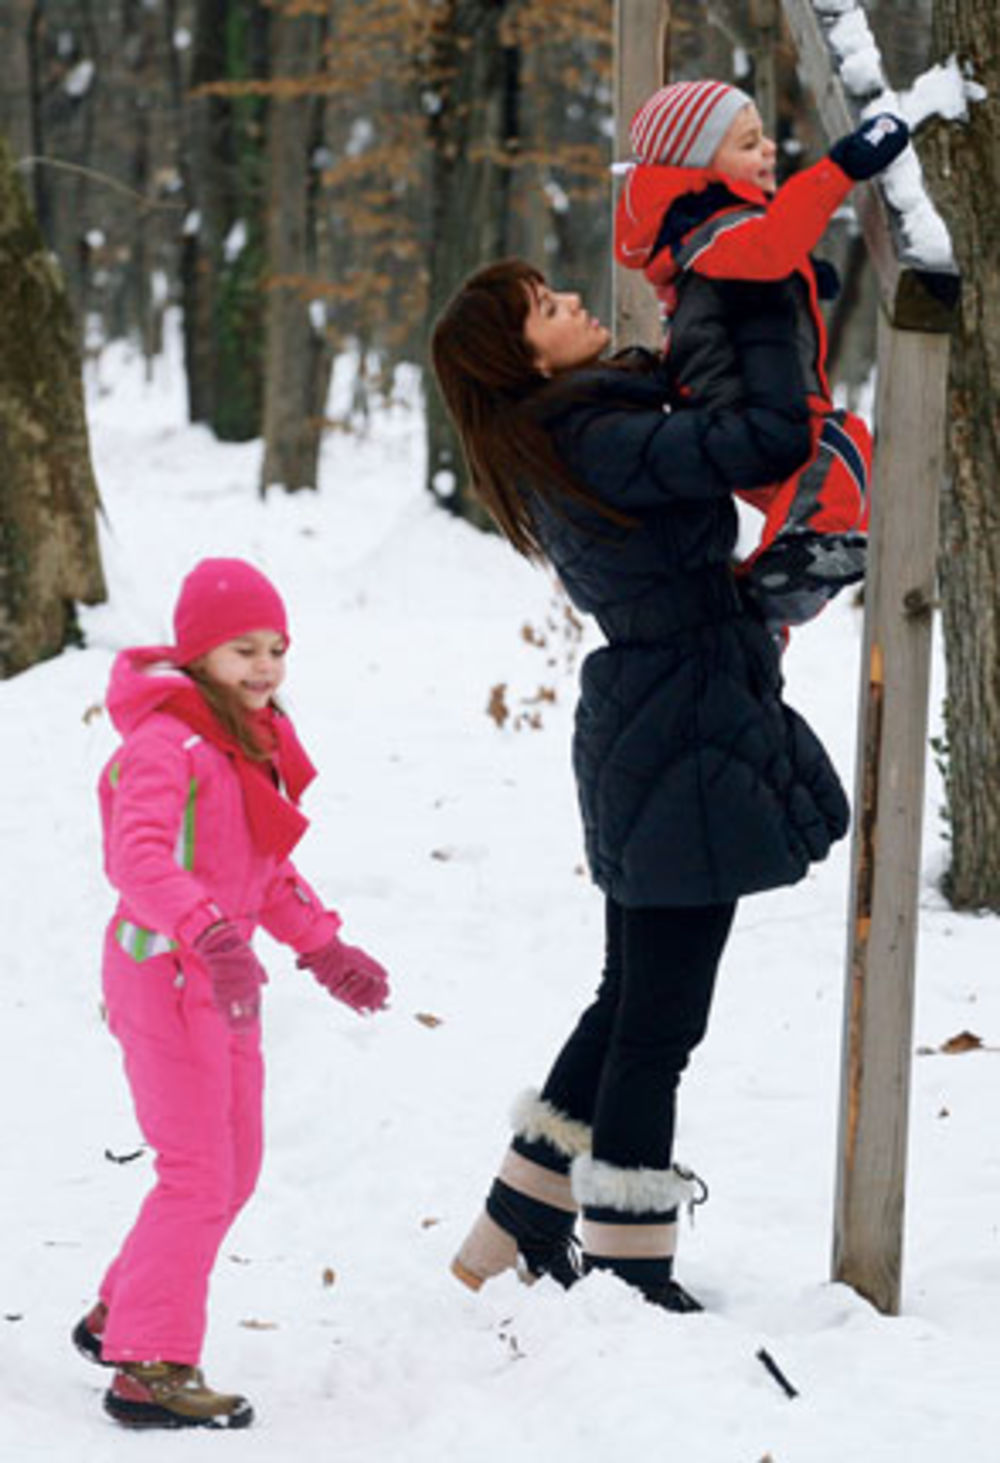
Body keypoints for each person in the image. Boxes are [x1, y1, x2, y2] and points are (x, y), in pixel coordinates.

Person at [430, 259, 849, 1311]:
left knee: (632, 997)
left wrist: (765, 293)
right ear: (520, 358)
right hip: (679, 730)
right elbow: (758, 438)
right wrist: (751, 300)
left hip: (665, 719)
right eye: (545, 309)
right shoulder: (595, 436)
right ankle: (626, 1263)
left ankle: (517, 1218)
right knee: (661, 1020)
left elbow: (700, 400)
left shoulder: (580, 422)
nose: (572, 302)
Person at [72, 558, 390, 1429]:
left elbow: (262, 865)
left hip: (225, 979)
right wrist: (205, 928)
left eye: (277, 648)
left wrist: (325, 949)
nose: (264, 666)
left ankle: (123, 1310)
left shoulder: (244, 738)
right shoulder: (162, 744)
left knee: (234, 1167)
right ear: (198, 651)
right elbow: (137, 859)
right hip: (166, 972)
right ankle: (148, 1363)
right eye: (243, 648)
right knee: (198, 1172)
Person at [615, 80, 909, 636]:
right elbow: (770, 247)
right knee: (842, 446)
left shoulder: (707, 233)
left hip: (736, 411)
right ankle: (792, 562)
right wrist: (842, 167)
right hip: (737, 408)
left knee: (832, 492)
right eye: (748, 145)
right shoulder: (713, 227)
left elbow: (761, 264)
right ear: (701, 167)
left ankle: (760, 624)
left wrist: (802, 275)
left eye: (763, 138)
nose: (769, 149)